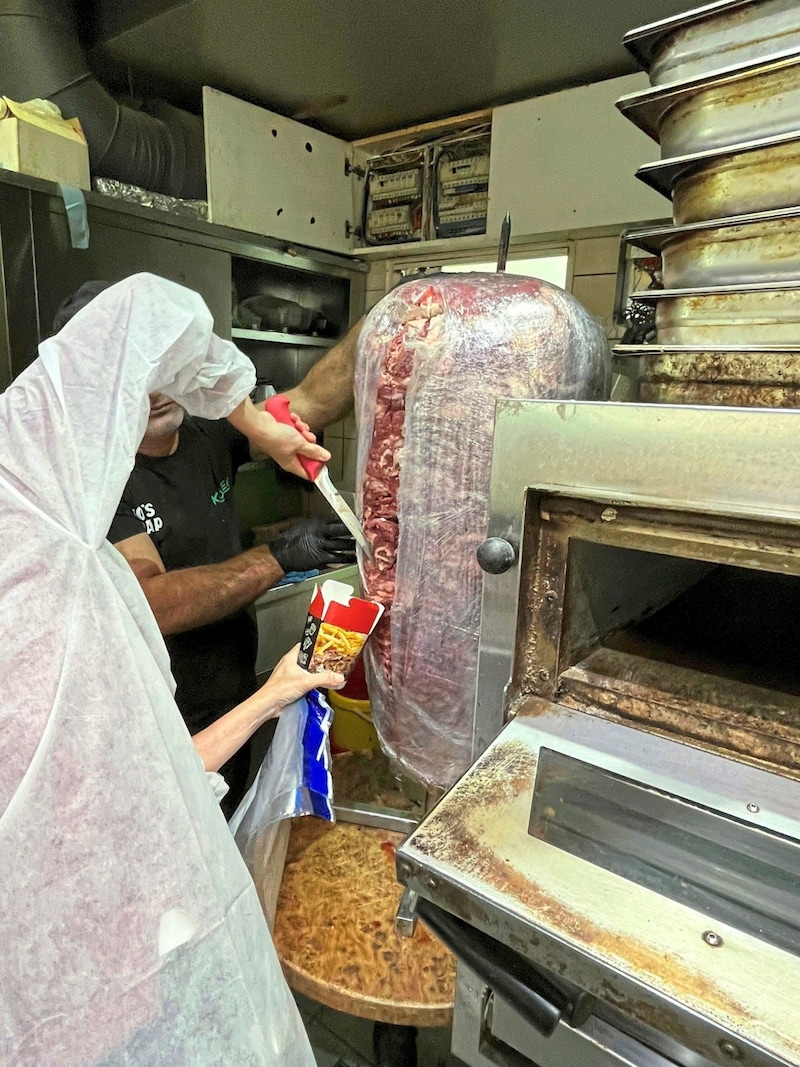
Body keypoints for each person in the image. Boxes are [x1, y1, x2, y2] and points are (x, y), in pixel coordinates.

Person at [53, 282, 358, 817]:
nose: (155, 390)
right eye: (134, 377)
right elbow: (153, 602)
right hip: (161, 710)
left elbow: (307, 402)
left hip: (232, 681)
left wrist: (380, 329)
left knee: (232, 822)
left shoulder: (206, 432)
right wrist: (278, 557)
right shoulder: (96, 477)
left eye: (166, 367)